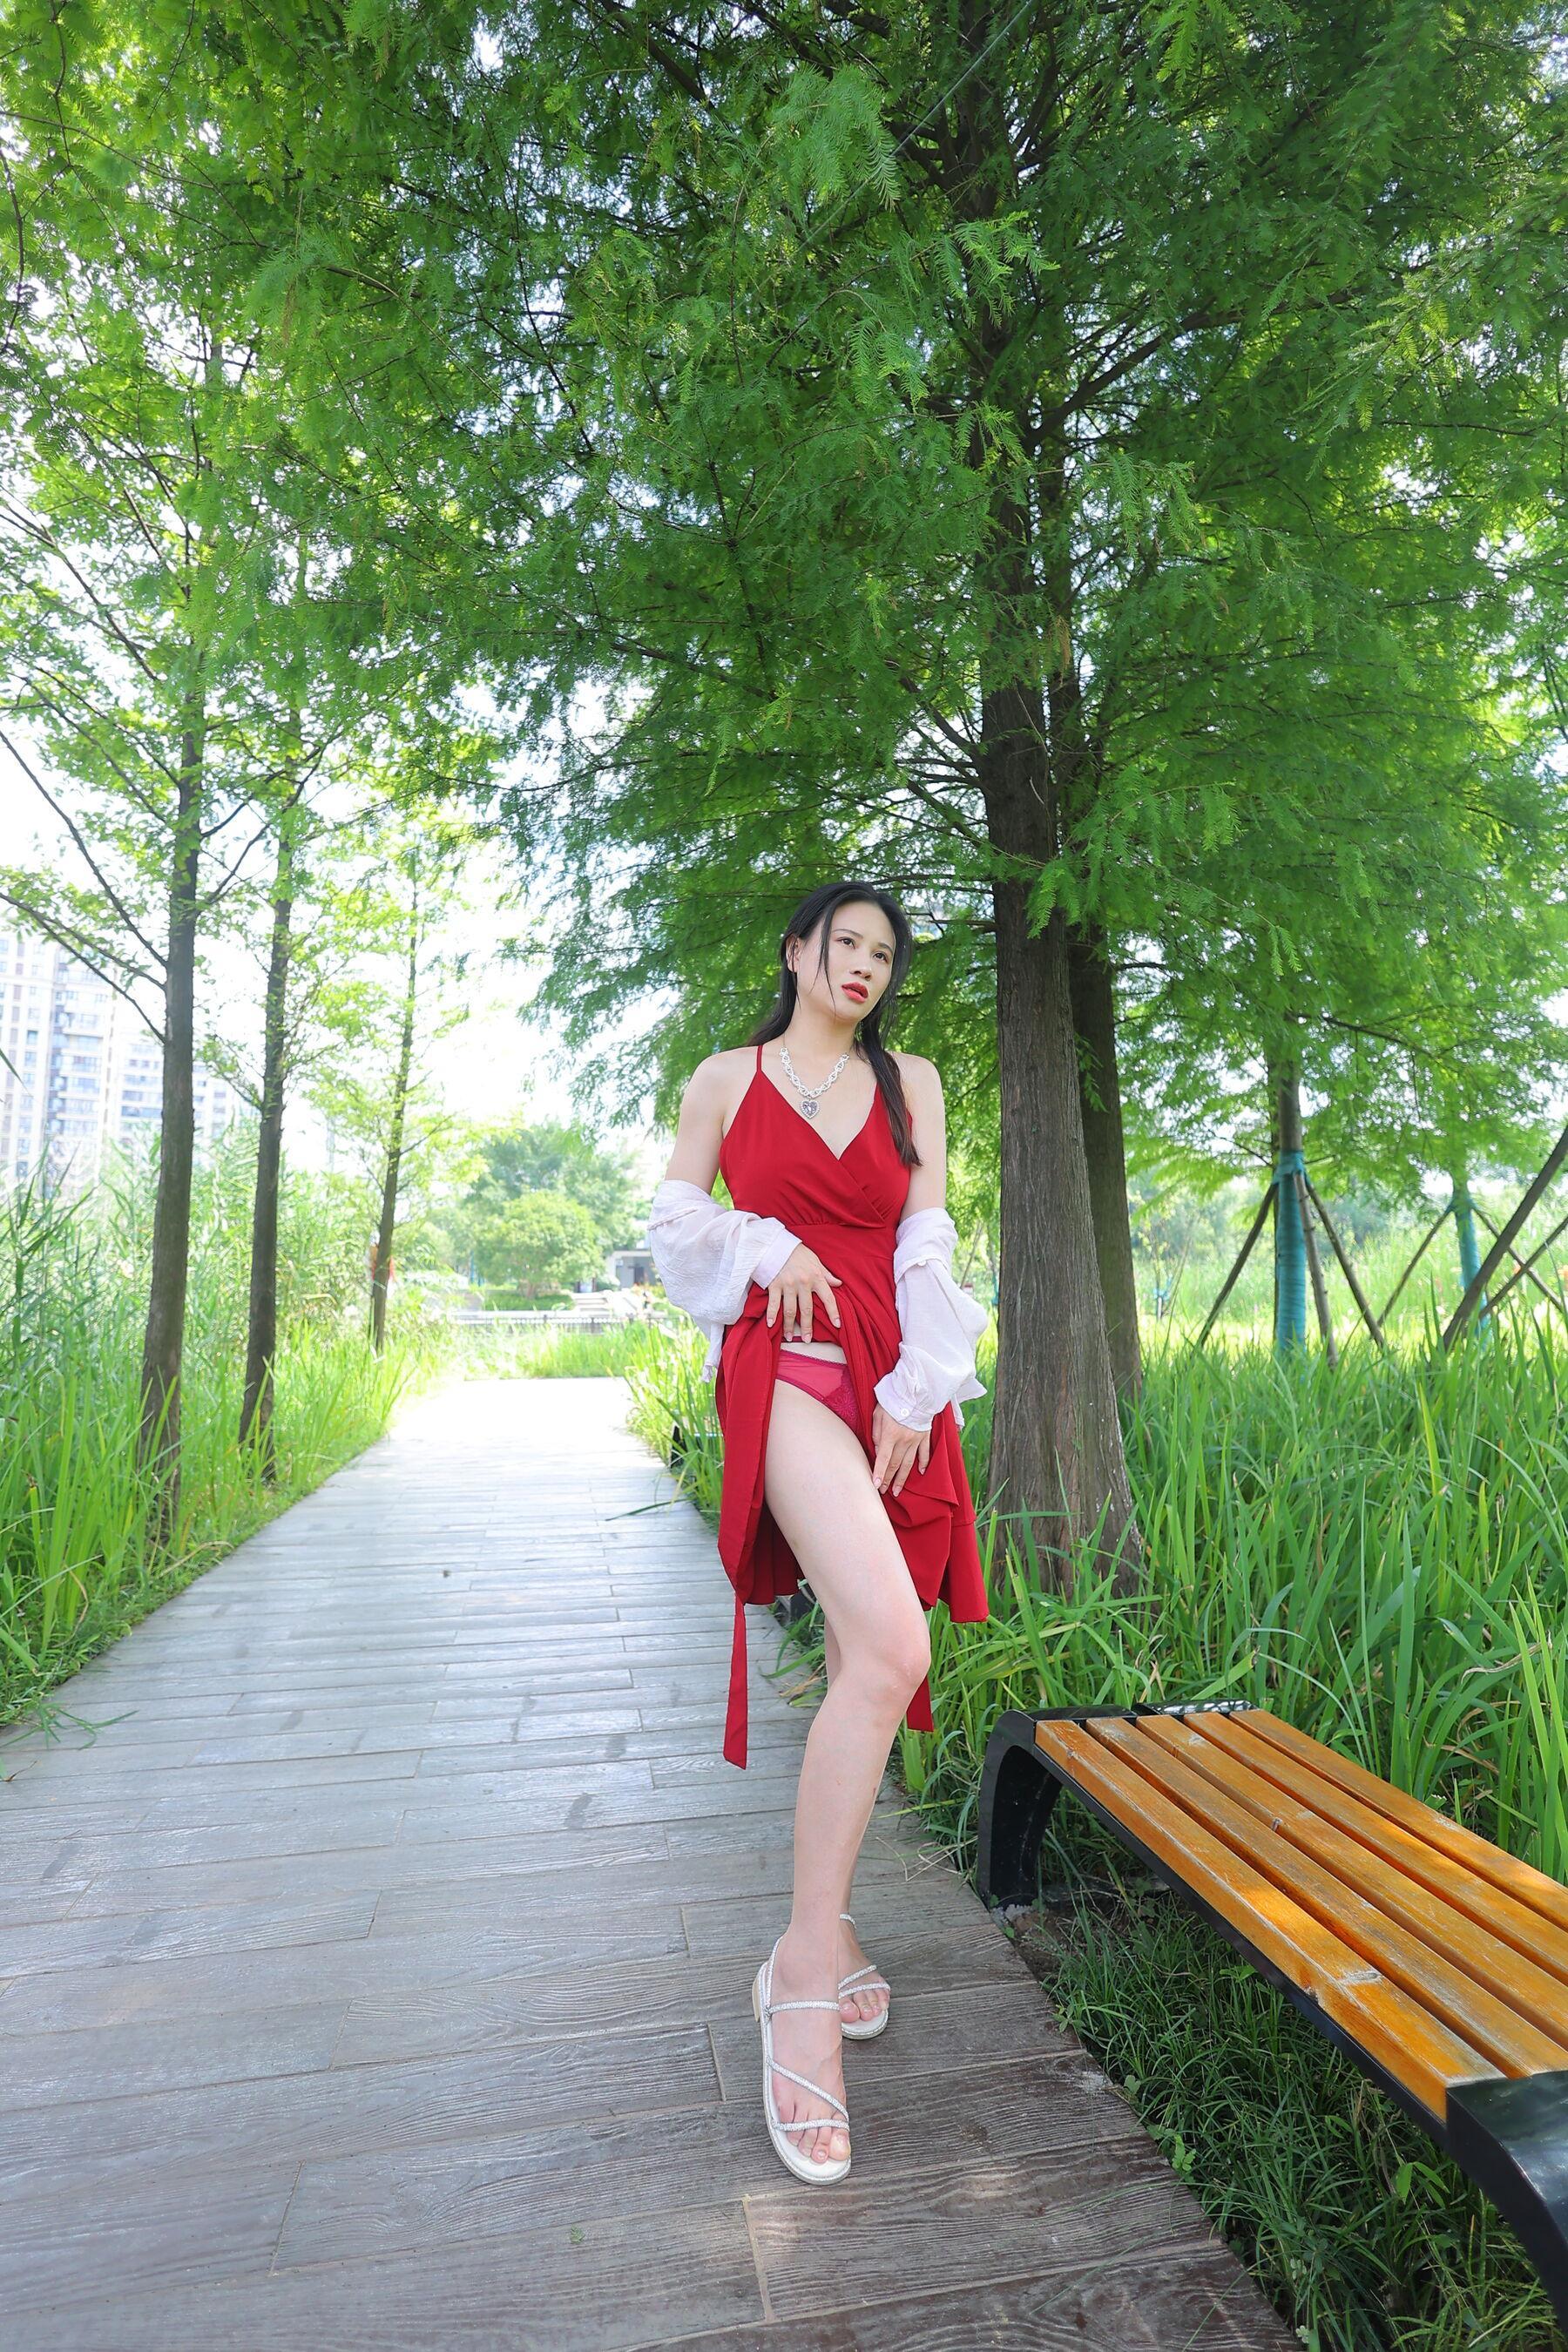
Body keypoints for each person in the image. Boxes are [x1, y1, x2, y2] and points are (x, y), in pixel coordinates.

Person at [646, 882, 990, 2186]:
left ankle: (829, 1929)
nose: (863, 965)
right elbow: (675, 1225)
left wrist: (919, 1389)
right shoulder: (726, 1079)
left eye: (883, 953)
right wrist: (765, 1243)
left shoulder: (913, 1083)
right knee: (895, 1650)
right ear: (796, 952)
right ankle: (799, 1976)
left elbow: (927, 1236)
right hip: (786, 1367)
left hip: (893, 1376)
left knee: (862, 1656)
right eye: (844, 942)